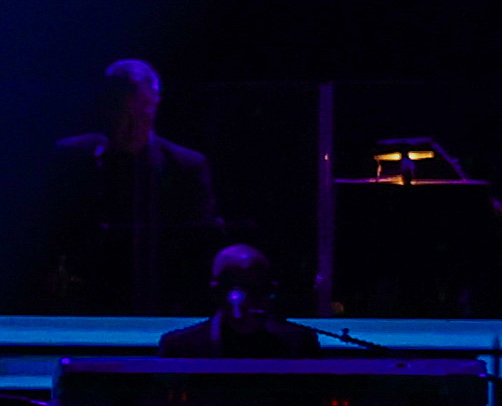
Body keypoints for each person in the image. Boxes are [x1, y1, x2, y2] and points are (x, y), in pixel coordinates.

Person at [43, 59, 218, 312]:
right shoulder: (72, 157)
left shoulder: (186, 167)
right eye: (121, 110)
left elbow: (198, 245)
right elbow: (51, 231)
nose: (130, 122)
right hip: (85, 296)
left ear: (156, 103)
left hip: (160, 296)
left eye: (140, 109)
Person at [156, 243, 323, 359]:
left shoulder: (298, 343)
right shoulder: (180, 347)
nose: (253, 299)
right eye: (244, 288)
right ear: (217, 292)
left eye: (260, 288)